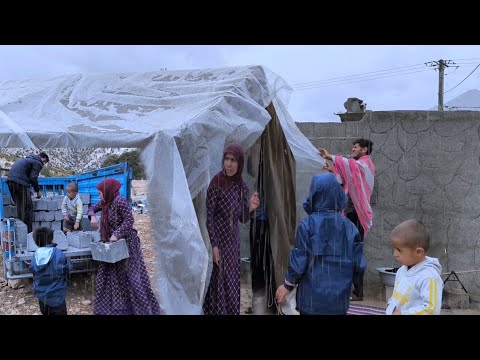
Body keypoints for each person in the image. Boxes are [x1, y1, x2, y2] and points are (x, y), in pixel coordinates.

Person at [275, 173, 365, 315]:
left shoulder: (307, 225)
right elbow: (358, 264)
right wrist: (356, 285)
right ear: (338, 194)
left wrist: (288, 284)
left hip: (311, 301)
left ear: (314, 194)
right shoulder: (350, 227)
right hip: (338, 301)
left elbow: (299, 260)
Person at [88, 178, 161, 315]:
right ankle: (116, 307)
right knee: (109, 277)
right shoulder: (105, 202)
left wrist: (117, 234)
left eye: (100, 193)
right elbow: (91, 208)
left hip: (126, 244)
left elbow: (129, 220)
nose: (99, 196)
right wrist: (93, 216)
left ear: (107, 191)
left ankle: (140, 309)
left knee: (131, 277)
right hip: (111, 246)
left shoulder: (119, 201)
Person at [203, 143, 260, 315]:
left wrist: (250, 207)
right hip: (218, 241)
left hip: (233, 244)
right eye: (227, 159)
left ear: (239, 162)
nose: (229, 164)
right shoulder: (217, 182)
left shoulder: (242, 187)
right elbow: (209, 216)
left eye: (233, 160)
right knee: (218, 284)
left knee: (231, 284)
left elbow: (242, 218)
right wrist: (214, 245)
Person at [319, 138, 375, 301]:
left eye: (355, 147)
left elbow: (352, 167)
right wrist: (331, 170)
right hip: (349, 215)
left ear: (364, 150)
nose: (352, 149)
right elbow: (344, 179)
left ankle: (358, 292)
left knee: (355, 252)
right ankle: (348, 289)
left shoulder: (366, 164)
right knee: (346, 252)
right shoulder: (356, 167)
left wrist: (330, 156)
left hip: (358, 216)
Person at [386, 219, 443, 315]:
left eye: (399, 250)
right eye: (394, 249)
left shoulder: (429, 277)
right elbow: (396, 297)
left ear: (418, 252)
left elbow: (431, 310)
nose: (395, 254)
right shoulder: (401, 271)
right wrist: (390, 307)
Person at [29, 227, 71, 315]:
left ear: (36, 242)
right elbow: (67, 268)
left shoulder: (35, 255)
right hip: (57, 298)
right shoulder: (58, 253)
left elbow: (33, 269)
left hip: (42, 297)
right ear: (51, 239)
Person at [7, 152, 49, 233]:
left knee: (20, 207)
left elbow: (28, 177)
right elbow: (33, 178)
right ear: (43, 158)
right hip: (19, 183)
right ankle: (28, 233)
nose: (43, 165)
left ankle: (19, 231)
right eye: (45, 162)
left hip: (10, 181)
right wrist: (38, 191)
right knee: (28, 207)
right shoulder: (38, 162)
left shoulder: (28, 159)